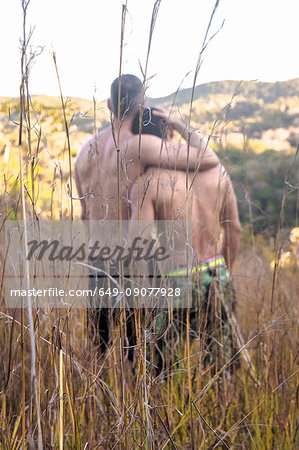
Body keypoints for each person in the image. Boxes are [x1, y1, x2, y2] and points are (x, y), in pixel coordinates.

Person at [74, 74, 221, 353]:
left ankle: (93, 397)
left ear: (108, 104)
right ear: (142, 105)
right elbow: (208, 158)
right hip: (135, 263)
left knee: (99, 348)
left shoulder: (84, 151)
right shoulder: (139, 146)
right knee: (146, 353)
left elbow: (83, 213)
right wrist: (177, 123)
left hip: (96, 260)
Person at [129, 108, 241, 373]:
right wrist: (224, 272)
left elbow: (141, 245)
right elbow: (234, 229)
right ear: (170, 131)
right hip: (217, 273)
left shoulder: (148, 184)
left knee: (155, 368)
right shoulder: (219, 174)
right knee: (221, 365)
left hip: (174, 280)